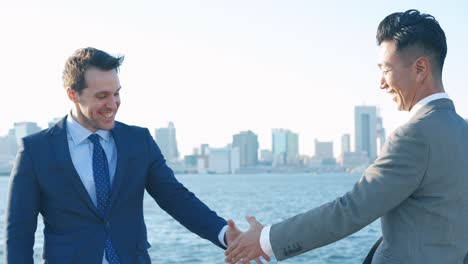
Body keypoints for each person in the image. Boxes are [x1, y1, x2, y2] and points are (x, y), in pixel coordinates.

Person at [225, 9, 468, 264]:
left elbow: (351, 210)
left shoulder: (413, 136)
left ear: (420, 68)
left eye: (386, 70)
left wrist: (265, 240)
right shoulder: (462, 132)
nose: (382, 83)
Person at [3, 47, 250, 263]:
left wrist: (224, 233)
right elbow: (19, 234)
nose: (113, 104)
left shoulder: (138, 141)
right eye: (102, 96)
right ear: (73, 95)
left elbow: (175, 198)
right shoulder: (36, 150)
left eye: (117, 93)